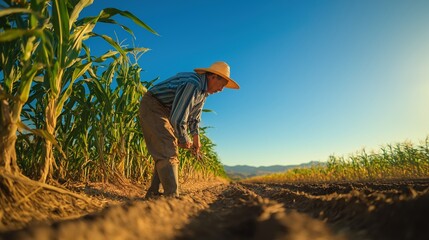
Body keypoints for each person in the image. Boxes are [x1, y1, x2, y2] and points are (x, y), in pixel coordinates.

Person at [138, 61, 239, 198]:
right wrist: (184, 139)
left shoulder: (203, 93)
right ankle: (171, 196)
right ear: (213, 77)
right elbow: (178, 118)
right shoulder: (194, 84)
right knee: (167, 147)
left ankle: (153, 193)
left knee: (167, 147)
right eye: (222, 85)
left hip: (166, 110)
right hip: (154, 105)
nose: (221, 90)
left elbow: (194, 118)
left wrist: (196, 140)